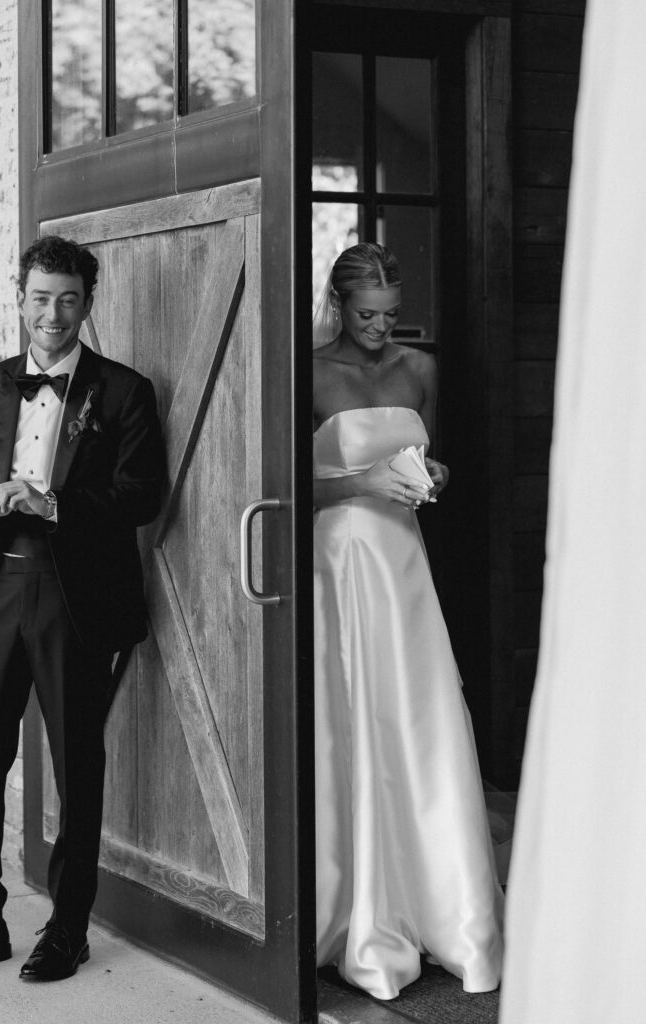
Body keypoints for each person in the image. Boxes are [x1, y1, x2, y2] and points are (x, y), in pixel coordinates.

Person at [0, 235, 164, 982]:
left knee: (76, 764)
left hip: (75, 596)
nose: (51, 314)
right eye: (39, 298)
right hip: (0, 590)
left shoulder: (123, 391)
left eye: (67, 300)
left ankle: (68, 928)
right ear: (19, 298)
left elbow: (140, 497)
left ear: (87, 304)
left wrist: (53, 503)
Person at [312, 242, 503, 999]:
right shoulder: (312, 370)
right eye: (365, 314)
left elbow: (432, 456)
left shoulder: (418, 369)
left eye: (390, 315)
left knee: (420, 719)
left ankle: (445, 907)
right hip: (340, 561)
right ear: (338, 303)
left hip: (403, 560)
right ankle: (351, 912)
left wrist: (435, 474)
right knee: (352, 717)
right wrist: (359, 479)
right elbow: (290, 485)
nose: (378, 328)